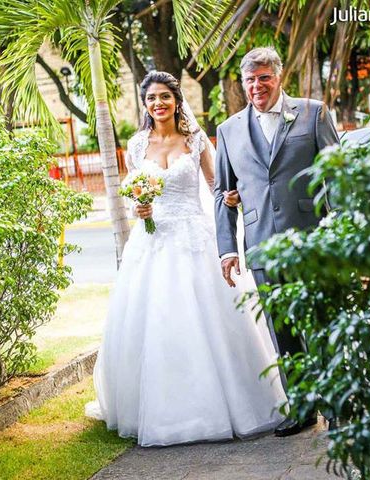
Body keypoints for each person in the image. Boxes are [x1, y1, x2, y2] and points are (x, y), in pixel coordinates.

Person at [86, 71, 287, 447]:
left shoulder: (195, 141)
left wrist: (233, 199)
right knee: (156, 322)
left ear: (177, 100)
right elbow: (134, 194)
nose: (158, 104)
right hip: (152, 244)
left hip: (194, 237)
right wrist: (138, 209)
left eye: (164, 96)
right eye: (151, 99)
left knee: (208, 319)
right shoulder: (136, 144)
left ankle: (230, 404)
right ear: (145, 105)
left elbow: (217, 186)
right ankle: (160, 408)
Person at [214, 47, 340, 437]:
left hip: (311, 238)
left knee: (320, 325)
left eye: (264, 78)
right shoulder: (228, 130)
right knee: (281, 331)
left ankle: (337, 407)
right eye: (250, 80)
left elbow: (336, 172)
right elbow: (224, 192)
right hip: (262, 244)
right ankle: (301, 408)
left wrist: (341, 226)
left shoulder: (313, 111)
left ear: (279, 76)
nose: (256, 86)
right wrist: (229, 248)